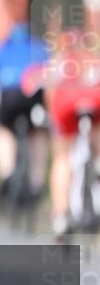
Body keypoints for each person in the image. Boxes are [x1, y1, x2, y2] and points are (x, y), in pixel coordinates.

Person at [0, 22, 50, 205]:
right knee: (37, 134)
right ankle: (37, 182)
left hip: (9, 97)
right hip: (34, 96)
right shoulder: (40, 47)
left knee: (3, 130)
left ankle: (7, 172)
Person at [43, 27, 100, 235]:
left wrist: (51, 117)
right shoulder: (94, 58)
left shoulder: (60, 60)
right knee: (97, 142)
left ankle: (60, 216)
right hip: (95, 100)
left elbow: (50, 90)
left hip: (66, 102)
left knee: (62, 157)